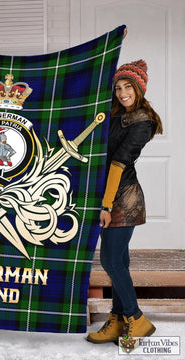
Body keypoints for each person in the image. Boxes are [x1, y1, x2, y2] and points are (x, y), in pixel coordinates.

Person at [87, 60, 163, 344]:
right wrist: (112, 45)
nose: (121, 92)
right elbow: (99, 90)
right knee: (119, 260)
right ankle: (118, 321)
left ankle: (136, 318)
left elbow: (119, 163)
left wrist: (106, 206)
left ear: (139, 89)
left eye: (127, 86)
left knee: (110, 260)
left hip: (124, 199)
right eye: (118, 87)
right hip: (111, 194)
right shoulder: (116, 112)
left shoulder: (143, 121)